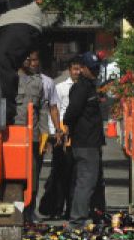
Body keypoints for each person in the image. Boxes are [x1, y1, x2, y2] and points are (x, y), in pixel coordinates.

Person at [14, 51, 61, 221]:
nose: (30, 62)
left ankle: (29, 211)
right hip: (12, 137)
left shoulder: (40, 82)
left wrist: (44, 137)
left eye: (34, 59)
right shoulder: (10, 79)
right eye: (27, 58)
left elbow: (43, 111)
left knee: (33, 176)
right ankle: (15, 212)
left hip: (32, 138)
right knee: (13, 177)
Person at [39, 57, 82, 219]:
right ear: (69, 70)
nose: (77, 72)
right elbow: (54, 111)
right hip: (61, 134)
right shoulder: (60, 87)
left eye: (79, 69)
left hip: (77, 135)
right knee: (59, 174)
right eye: (74, 69)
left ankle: (71, 210)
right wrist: (55, 134)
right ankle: (56, 209)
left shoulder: (84, 87)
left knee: (74, 175)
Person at [63, 52, 102, 222]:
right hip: (85, 142)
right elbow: (71, 113)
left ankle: (90, 213)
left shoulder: (90, 86)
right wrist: (66, 127)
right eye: (91, 69)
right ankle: (78, 218)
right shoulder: (81, 88)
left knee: (91, 180)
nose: (95, 72)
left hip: (91, 142)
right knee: (86, 181)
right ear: (83, 69)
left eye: (97, 68)